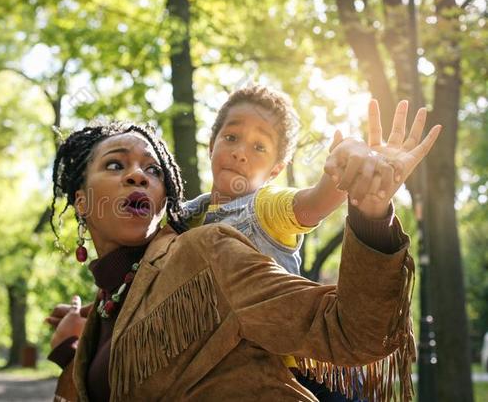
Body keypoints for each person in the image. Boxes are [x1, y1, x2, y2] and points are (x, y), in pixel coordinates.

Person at [46, 107, 440, 401]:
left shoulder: (206, 251)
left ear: (163, 197)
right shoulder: (104, 309)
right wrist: (72, 353)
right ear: (81, 202)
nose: (138, 176)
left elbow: (352, 331)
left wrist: (369, 210)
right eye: (116, 165)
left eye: (152, 170)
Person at [181, 85, 407, 401]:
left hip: (286, 375)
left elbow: (312, 203)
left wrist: (344, 168)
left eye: (259, 147)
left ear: (276, 169)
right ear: (211, 144)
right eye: (231, 138)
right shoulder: (187, 217)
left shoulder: (264, 207)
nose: (240, 152)